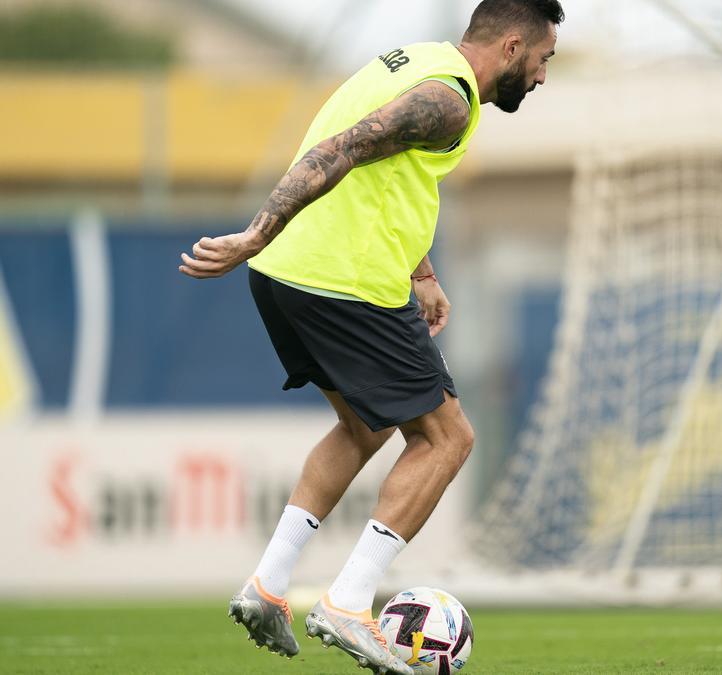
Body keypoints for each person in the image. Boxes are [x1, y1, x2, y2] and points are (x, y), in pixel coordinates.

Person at [178, 1, 563, 672]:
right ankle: (349, 601)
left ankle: (269, 582)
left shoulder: (418, 61)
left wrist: (423, 269)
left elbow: (390, 174)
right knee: (449, 437)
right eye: (542, 60)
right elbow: (342, 148)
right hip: (339, 278)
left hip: (287, 274)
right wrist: (253, 232)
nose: (541, 76)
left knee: (365, 426)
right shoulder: (449, 99)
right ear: (509, 48)